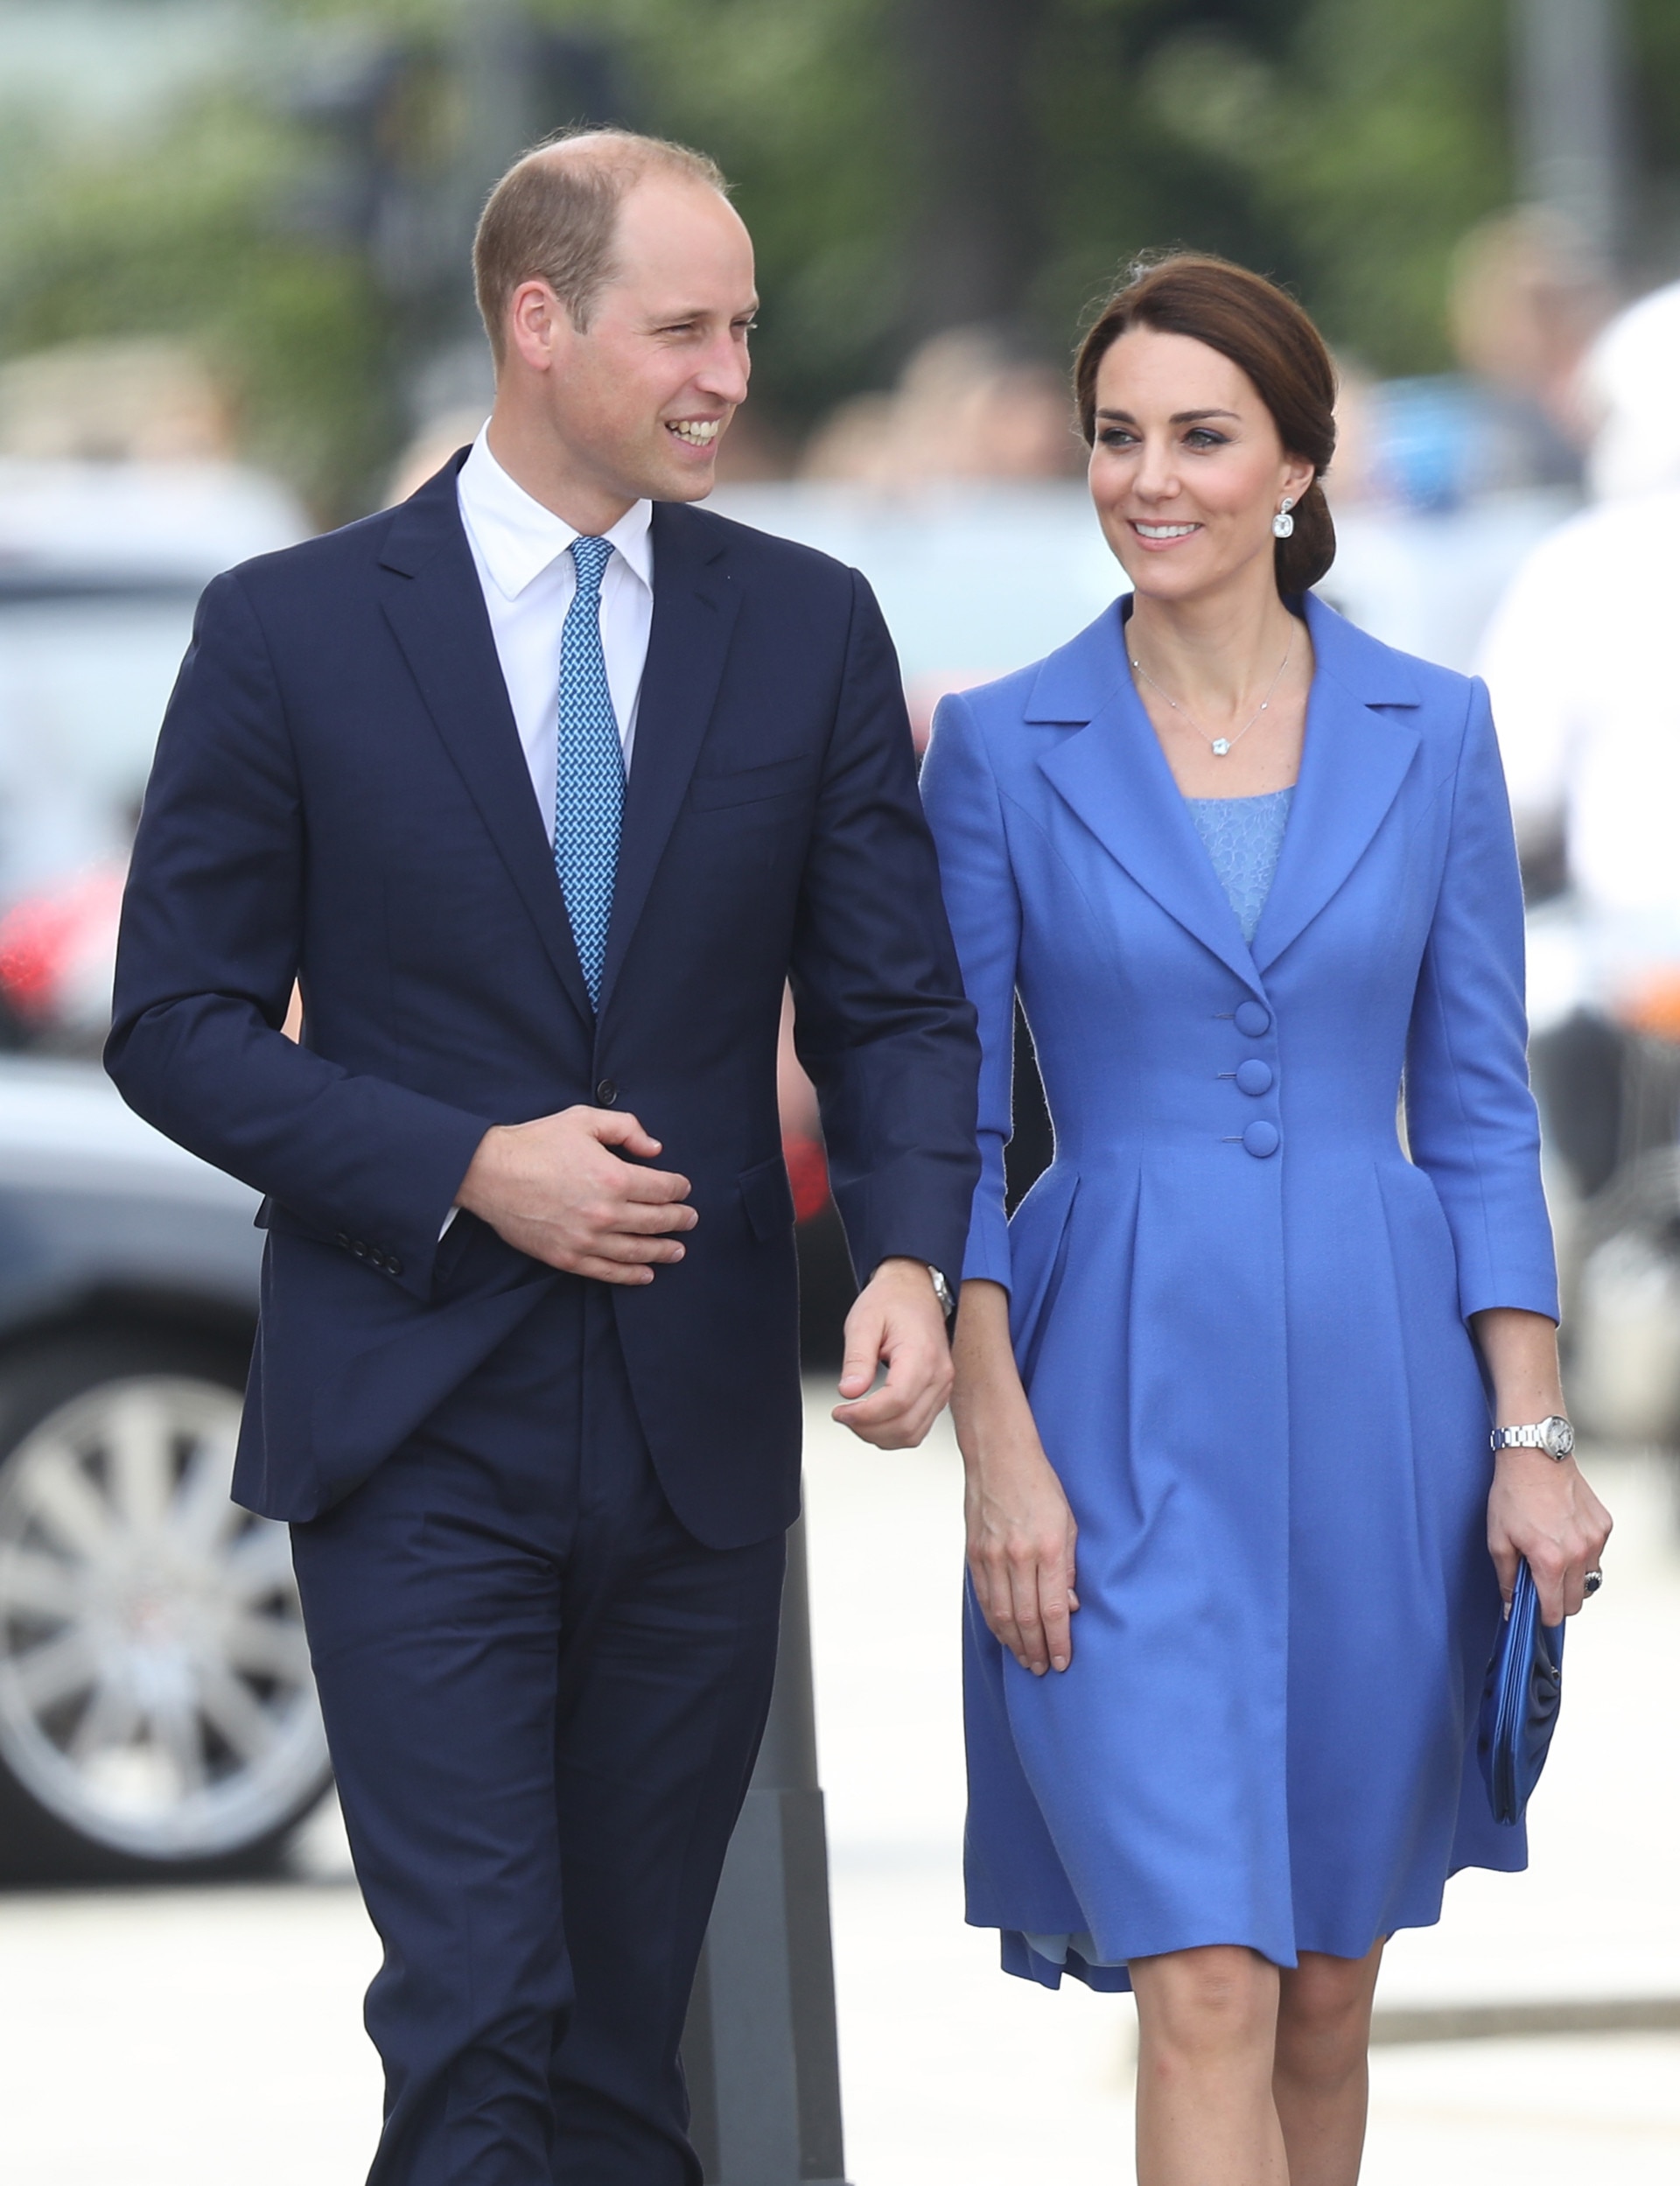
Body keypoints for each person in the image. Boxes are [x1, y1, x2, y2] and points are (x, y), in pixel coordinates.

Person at [105, 130, 979, 2186]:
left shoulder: (807, 626)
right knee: (479, 2010)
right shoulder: (288, 630)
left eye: (745, 328)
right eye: (685, 326)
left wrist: (910, 1257)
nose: (727, 372)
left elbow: (894, 1004)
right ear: (538, 320)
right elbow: (176, 1027)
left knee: (616, 2044)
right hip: (413, 1425)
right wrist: (465, 1162)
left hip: (692, 1444)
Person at [919, 254, 1611, 2186]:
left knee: (1323, 1983)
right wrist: (1000, 1449)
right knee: (1204, 1974)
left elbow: (1478, 1109)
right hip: (1112, 1401)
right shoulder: (1001, 743)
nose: (1153, 478)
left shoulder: (1437, 728)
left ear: (1300, 468)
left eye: (1203, 437)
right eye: (1118, 437)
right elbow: (950, 1131)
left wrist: (1533, 1438)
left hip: (1389, 1406)